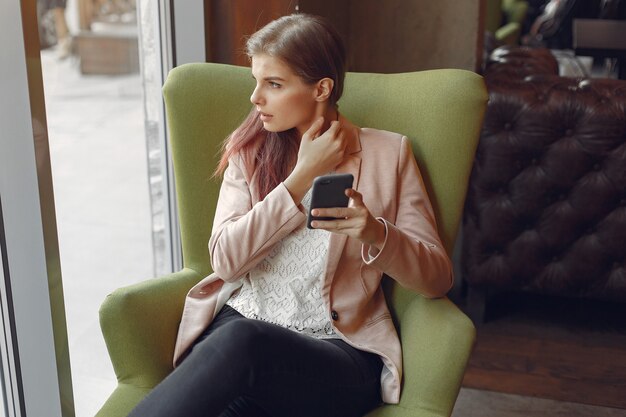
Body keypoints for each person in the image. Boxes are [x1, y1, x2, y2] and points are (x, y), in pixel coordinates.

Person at [128, 13, 452, 417]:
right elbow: (225, 260)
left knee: (244, 343)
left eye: (274, 84)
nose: (255, 98)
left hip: (336, 352)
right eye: (256, 82)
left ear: (321, 88)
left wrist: (375, 233)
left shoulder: (390, 155)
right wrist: (299, 181)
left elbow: (437, 278)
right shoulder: (250, 153)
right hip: (240, 328)